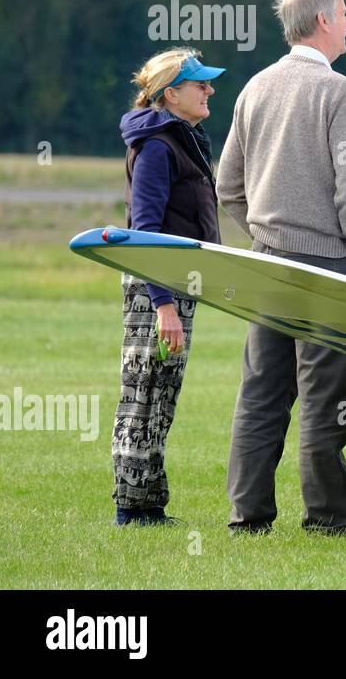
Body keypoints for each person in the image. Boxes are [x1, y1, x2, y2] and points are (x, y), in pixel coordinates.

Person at [218, 0, 346, 535]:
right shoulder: (340, 92)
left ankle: (248, 517)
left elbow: (227, 186)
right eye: (345, 10)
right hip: (330, 267)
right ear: (324, 21)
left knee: (261, 395)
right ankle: (327, 518)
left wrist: (264, 233)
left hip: (266, 263)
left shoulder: (254, 87)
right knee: (325, 398)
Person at [115, 47, 225, 525]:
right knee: (143, 391)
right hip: (155, 288)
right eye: (199, 83)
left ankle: (148, 504)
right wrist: (163, 306)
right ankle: (131, 507)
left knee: (162, 391)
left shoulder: (181, 139)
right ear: (170, 94)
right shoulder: (158, 147)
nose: (209, 90)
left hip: (175, 285)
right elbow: (144, 233)